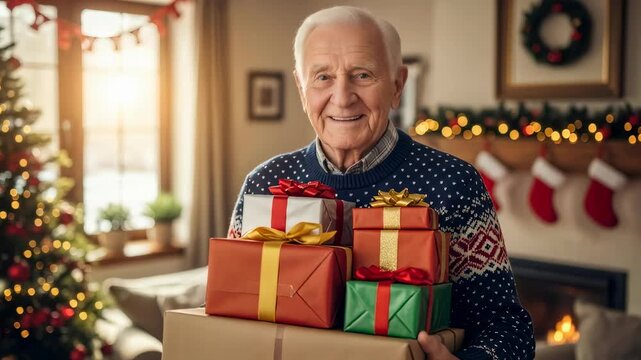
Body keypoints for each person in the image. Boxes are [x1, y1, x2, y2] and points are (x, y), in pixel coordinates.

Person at [228, 6, 535, 360]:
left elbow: (509, 328)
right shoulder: (263, 185)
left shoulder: (454, 184)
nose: (342, 97)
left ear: (397, 85)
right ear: (301, 87)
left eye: (362, 75)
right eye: (323, 77)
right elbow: (227, 309)